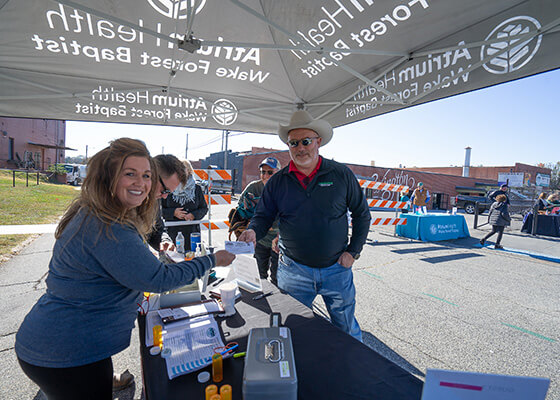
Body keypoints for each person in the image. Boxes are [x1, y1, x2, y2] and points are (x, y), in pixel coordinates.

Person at [14, 138, 235, 400]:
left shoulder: (103, 212)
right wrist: (212, 260)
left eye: (146, 176)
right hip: (66, 351)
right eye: (130, 174)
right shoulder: (108, 225)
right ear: (108, 177)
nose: (143, 184)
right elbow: (158, 278)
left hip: (67, 344)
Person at [238, 110, 371, 342]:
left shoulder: (340, 174)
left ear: (318, 142)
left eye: (306, 141)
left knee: (346, 329)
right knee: (294, 332)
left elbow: (362, 214)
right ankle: (299, 375)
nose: (300, 148)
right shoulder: (278, 181)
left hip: (336, 270)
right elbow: (263, 215)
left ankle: (352, 372)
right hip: (293, 270)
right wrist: (252, 231)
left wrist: (354, 251)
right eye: (294, 143)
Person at [237, 157, 281, 284]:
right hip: (259, 238)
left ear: (278, 172)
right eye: (263, 172)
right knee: (258, 274)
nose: (265, 175)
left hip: (278, 239)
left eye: (270, 172)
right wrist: (247, 208)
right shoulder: (254, 187)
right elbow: (240, 207)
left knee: (277, 277)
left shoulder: (285, 189)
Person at [161, 160, 208, 245]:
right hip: (171, 234)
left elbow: (204, 208)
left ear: (189, 171)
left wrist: (194, 215)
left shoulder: (197, 189)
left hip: (192, 234)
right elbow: (159, 210)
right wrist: (173, 213)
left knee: (192, 257)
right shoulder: (168, 187)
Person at [146, 154, 187, 251]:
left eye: (168, 193)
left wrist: (163, 240)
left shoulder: (155, 199)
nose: (164, 196)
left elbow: (157, 229)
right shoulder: (125, 203)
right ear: (152, 175)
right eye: (164, 190)